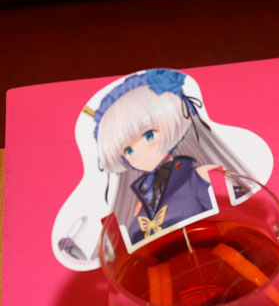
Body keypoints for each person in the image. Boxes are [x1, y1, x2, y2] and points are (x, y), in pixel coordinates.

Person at [90, 68, 254, 245]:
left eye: (149, 136)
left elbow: (240, 222)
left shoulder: (202, 177)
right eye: (128, 151)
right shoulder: (140, 205)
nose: (140, 154)